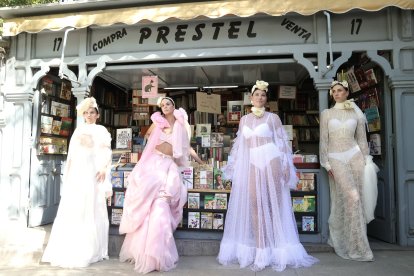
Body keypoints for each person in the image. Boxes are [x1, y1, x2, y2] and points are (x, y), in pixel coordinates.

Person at [217, 80, 318, 271]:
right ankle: (260, 246)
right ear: (251, 98)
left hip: (271, 160)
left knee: (271, 204)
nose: (260, 97)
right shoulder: (244, 119)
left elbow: (282, 143)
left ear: (266, 99)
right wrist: (231, 167)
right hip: (252, 162)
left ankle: (270, 248)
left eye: (263, 95)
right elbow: (239, 145)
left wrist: (286, 165)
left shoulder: (273, 118)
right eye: (257, 94)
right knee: (254, 202)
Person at [119, 96, 202, 273]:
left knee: (160, 207)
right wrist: (158, 139)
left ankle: (157, 254)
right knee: (147, 208)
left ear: (174, 106)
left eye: (168, 104)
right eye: (162, 105)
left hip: (168, 167)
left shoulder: (182, 124)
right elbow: (148, 136)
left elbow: (186, 147)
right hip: (153, 164)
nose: (165, 107)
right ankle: (144, 254)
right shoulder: (158, 122)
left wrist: (199, 161)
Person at [42, 97, 112, 268]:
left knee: (93, 204)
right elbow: (72, 154)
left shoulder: (102, 130)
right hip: (79, 171)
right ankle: (72, 245)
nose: (89, 115)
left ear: (97, 114)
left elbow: (106, 151)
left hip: (94, 169)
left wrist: (104, 168)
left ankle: (93, 246)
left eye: (92, 112)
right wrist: (69, 174)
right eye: (87, 113)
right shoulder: (78, 130)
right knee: (76, 206)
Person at [319, 80, 374, 261]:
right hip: (335, 158)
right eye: (333, 91)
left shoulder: (355, 113)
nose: (336, 93)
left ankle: (358, 245)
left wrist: (366, 159)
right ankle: (345, 242)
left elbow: (362, 139)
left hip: (355, 156)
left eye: (339, 90)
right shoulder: (327, 114)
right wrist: (326, 163)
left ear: (346, 92)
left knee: (357, 201)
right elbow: (324, 141)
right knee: (352, 197)